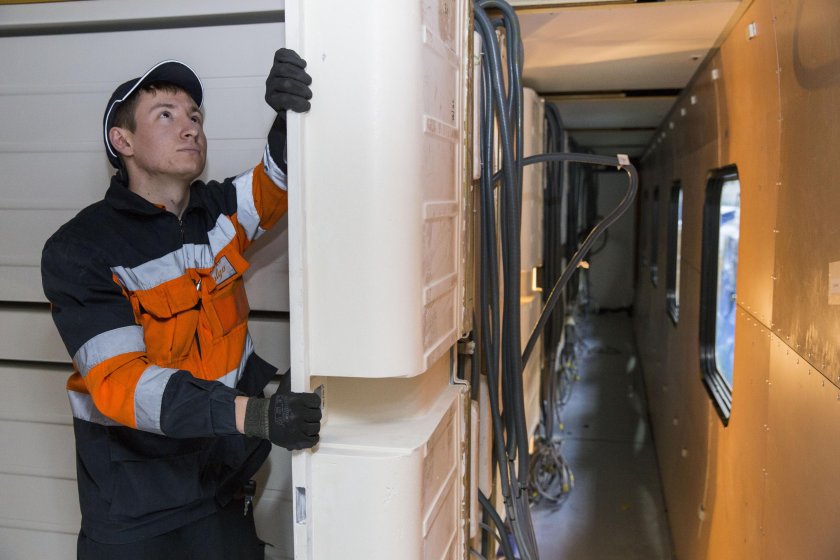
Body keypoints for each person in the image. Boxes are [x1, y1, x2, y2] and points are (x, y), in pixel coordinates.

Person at [40, 49, 320, 559]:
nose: (190, 127)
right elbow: (124, 384)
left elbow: (274, 184)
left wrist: (287, 115)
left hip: (221, 489)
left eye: (195, 116)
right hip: (139, 515)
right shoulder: (81, 248)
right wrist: (258, 416)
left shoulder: (215, 213)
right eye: (165, 115)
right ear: (122, 141)